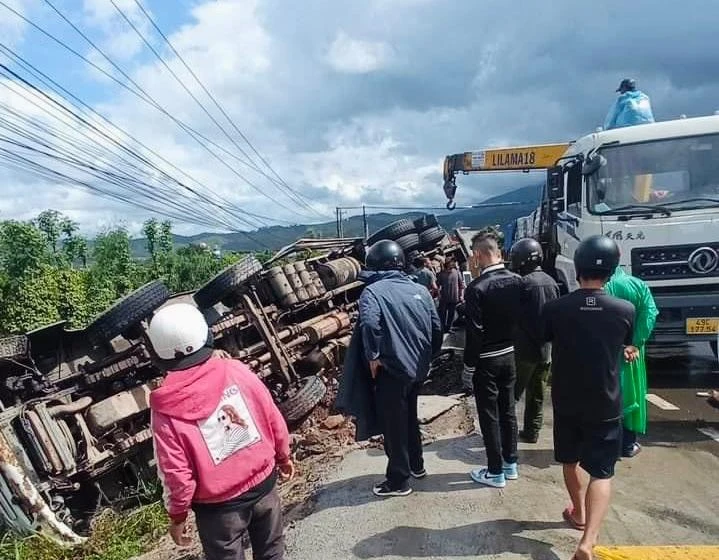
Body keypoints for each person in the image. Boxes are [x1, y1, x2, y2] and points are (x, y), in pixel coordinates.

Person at [147, 303, 294, 560]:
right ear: (206, 335)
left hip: (219, 510)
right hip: (263, 485)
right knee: (272, 551)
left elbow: (176, 472)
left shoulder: (165, 408)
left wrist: (178, 515)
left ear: (158, 353)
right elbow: (271, 414)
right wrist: (283, 455)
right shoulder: (235, 370)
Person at [542, 235, 639, 560]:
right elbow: (623, 342)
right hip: (605, 402)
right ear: (611, 270)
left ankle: (579, 512)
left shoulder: (556, 309)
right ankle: (587, 541)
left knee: (570, 461)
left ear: (578, 267)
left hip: (568, 400)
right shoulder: (625, 310)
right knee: (602, 472)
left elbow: (544, 337)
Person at [359, 240, 443, 497]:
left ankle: (398, 481)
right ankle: (416, 466)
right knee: (409, 418)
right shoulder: (420, 290)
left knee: (393, 426)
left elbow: (369, 325)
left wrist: (373, 356)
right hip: (417, 369)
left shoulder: (372, 292)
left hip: (392, 370)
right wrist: (427, 357)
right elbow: (436, 327)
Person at [463, 233, 523, 488]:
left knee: (489, 416)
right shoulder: (518, 281)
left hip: (486, 359)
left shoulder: (476, 288)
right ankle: (511, 464)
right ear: (499, 253)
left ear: (477, 255)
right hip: (510, 354)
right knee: (508, 411)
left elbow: (475, 333)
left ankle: (495, 471)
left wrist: (468, 366)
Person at [509, 238, 560, 444]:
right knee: (537, 394)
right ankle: (532, 431)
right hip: (546, 351)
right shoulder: (551, 281)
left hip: (524, 350)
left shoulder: (523, 283)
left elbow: (515, 317)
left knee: (511, 394)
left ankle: (506, 433)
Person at [605, 264, 658, 458]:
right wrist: (635, 343)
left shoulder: (602, 287)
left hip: (607, 352)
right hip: (632, 353)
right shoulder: (638, 285)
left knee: (608, 396)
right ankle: (627, 445)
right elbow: (650, 313)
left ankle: (609, 445)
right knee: (632, 394)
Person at [437, 259, 465, 333]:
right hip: (444, 297)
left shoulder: (457, 272)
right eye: (451, 262)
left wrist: (461, 295)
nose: (453, 263)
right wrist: (439, 295)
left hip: (454, 297)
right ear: (447, 263)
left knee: (451, 314)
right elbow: (438, 285)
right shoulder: (442, 274)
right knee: (442, 314)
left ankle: (449, 328)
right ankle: (443, 328)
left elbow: (461, 285)